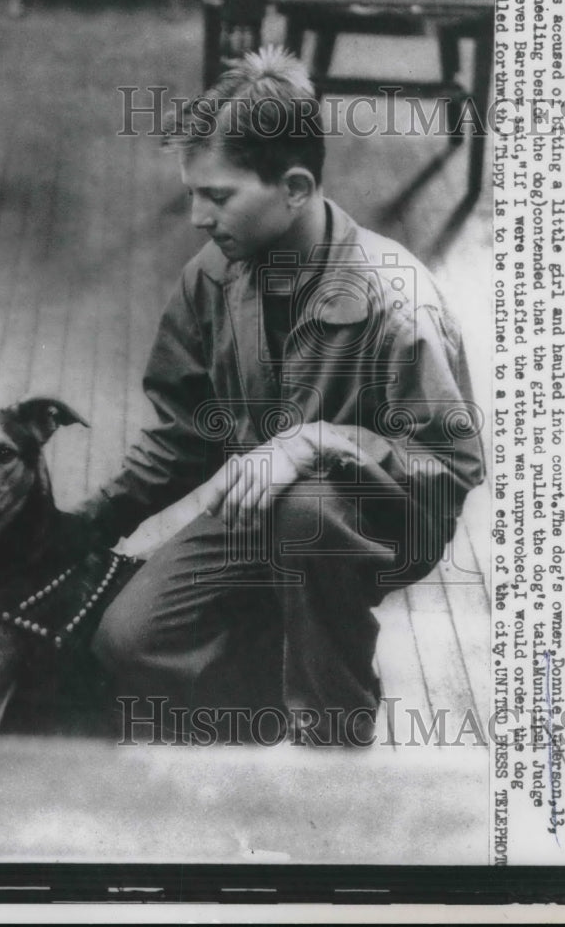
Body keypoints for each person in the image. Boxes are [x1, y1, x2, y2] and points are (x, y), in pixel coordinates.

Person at [85, 46, 485, 745]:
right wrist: (90, 520)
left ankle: (334, 727)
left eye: (217, 195)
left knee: (307, 514)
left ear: (295, 186)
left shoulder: (397, 302)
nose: (196, 217)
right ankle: (276, 668)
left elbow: (451, 467)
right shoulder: (212, 277)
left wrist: (319, 440)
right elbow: (186, 431)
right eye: (192, 193)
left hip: (377, 520)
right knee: (128, 639)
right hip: (265, 507)